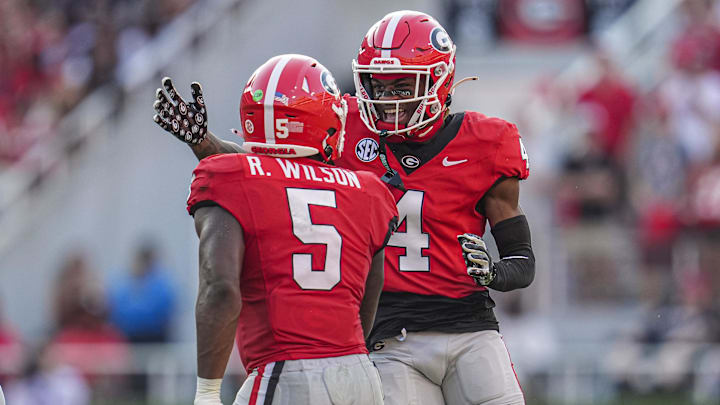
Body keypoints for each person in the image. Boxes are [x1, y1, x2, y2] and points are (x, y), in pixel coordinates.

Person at [154, 11, 534, 404]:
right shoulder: (344, 124)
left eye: (402, 85)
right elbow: (271, 169)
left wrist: (493, 271)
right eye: (378, 85)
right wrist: (204, 143)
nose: (387, 101)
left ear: (439, 79)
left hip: (470, 326)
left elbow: (523, 261)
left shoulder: (488, 141)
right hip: (390, 336)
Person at [165, 54, 398, 404]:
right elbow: (370, 292)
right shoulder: (367, 190)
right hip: (360, 375)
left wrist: (208, 392)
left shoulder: (230, 177)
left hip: (286, 373)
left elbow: (220, 289)